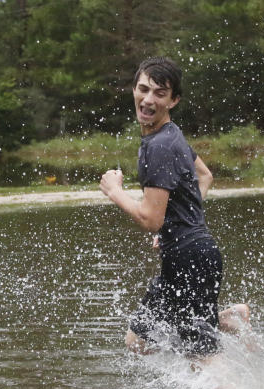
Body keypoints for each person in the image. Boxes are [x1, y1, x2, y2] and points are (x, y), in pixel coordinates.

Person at [100, 57, 248, 357]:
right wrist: (173, 223)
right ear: (134, 90)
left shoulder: (159, 146)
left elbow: (149, 220)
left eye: (159, 93)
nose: (148, 99)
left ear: (173, 100)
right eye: (143, 89)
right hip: (181, 259)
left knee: (202, 361)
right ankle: (225, 320)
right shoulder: (166, 136)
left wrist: (115, 192)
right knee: (138, 342)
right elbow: (205, 177)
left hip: (191, 261)